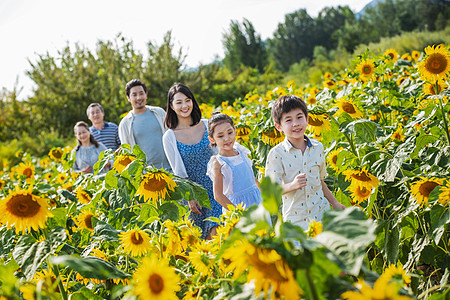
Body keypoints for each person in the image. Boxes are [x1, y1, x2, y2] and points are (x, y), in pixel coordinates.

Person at [265, 95, 345, 231]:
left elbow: (319, 180)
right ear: (279, 126)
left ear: (307, 119)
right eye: (288, 120)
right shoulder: (277, 154)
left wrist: (335, 203)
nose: (295, 123)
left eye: (299, 117)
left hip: (322, 215)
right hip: (296, 222)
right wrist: (292, 185)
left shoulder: (318, 148)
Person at [162, 83, 221, 239]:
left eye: (187, 100)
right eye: (179, 102)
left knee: (219, 233)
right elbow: (178, 171)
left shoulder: (208, 124)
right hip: (194, 195)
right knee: (202, 242)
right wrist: (189, 196)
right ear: (172, 106)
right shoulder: (170, 136)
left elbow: (221, 154)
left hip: (217, 187)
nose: (184, 105)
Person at [206, 112, 264, 216]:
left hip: (257, 201)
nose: (227, 138)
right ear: (212, 139)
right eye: (220, 136)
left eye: (230, 132)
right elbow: (218, 195)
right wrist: (238, 212)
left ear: (235, 131)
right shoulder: (218, 163)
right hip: (237, 206)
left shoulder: (241, 151)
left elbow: (252, 178)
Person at [118, 79, 171, 171]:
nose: (138, 98)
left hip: (170, 169)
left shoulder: (159, 112)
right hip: (145, 176)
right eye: (134, 95)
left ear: (146, 94)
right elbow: (127, 153)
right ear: (128, 98)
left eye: (141, 93)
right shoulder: (125, 123)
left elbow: (171, 136)